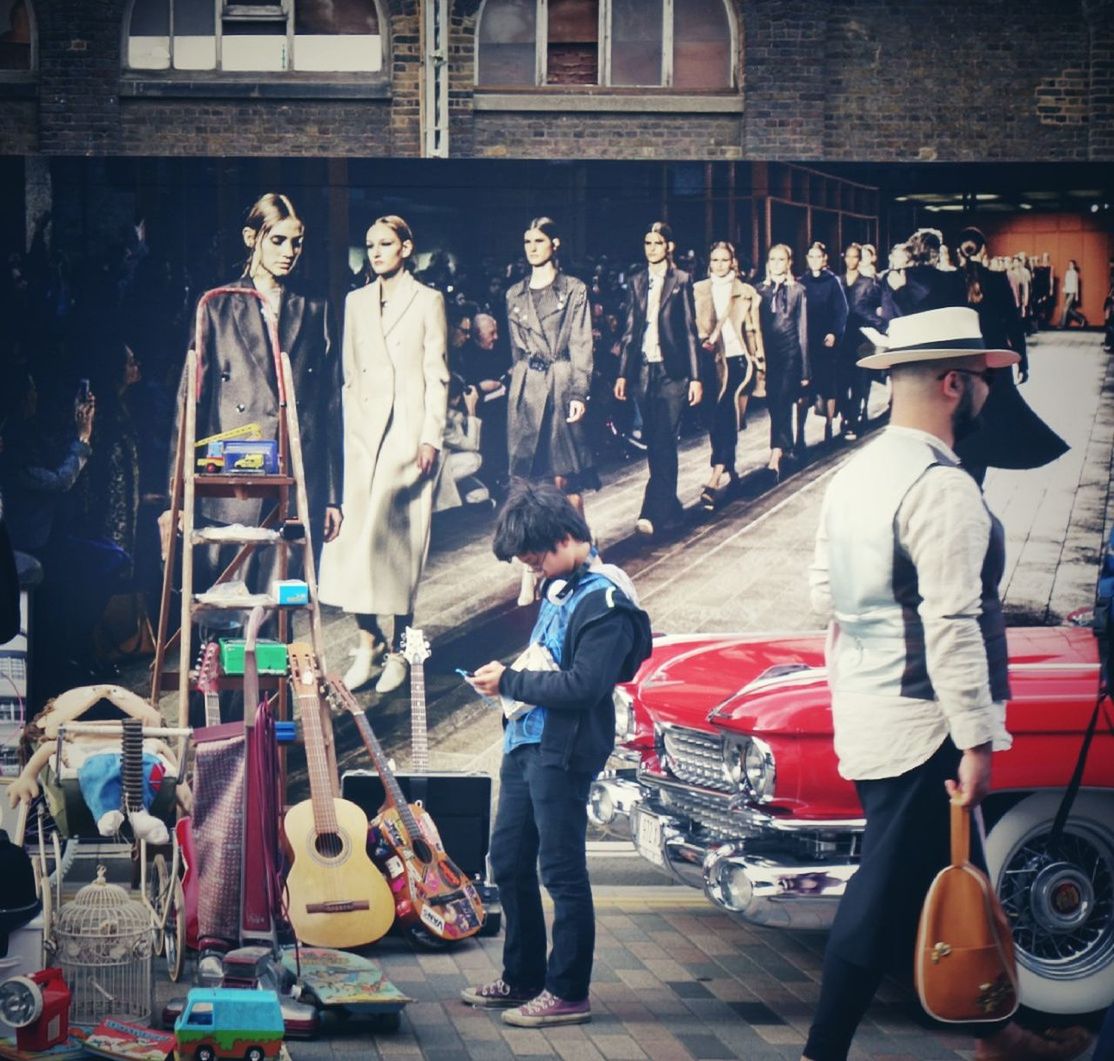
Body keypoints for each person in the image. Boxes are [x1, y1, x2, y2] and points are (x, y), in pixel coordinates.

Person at [803, 306, 1091, 1061]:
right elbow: (953, 623)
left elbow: (821, 595)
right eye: (988, 379)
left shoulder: (857, 473)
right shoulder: (944, 488)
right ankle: (821, 1050)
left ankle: (1002, 1034)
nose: (995, 393)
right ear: (955, 383)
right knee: (883, 899)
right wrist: (974, 736)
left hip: (871, 714)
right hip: (929, 728)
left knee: (953, 878)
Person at [461, 482, 651, 1028]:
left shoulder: (606, 601)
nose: (535, 569)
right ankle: (522, 977)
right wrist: (508, 681)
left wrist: (511, 679)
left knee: (561, 871)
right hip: (526, 742)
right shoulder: (562, 587)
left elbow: (586, 686)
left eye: (537, 557)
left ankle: (567, 991)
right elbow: (548, 663)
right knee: (508, 860)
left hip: (562, 751)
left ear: (569, 537)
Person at [162, 192, 343, 586]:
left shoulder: (315, 308)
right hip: (232, 482)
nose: (289, 252)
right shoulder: (216, 305)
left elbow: (329, 407)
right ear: (251, 238)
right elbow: (188, 403)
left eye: (296, 242)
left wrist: (332, 496)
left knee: (284, 603)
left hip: (298, 477)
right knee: (225, 606)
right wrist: (176, 496)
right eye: (277, 240)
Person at [318, 214, 449, 694]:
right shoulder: (354, 302)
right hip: (361, 437)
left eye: (386, 244)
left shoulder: (428, 300)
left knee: (399, 545)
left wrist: (430, 436)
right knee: (354, 545)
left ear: (406, 248)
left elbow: (437, 373)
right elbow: (349, 374)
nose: (375, 253)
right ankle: (367, 639)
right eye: (370, 245)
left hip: (406, 438)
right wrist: (346, 436)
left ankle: (399, 648)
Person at [505, 217, 597, 604]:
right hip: (527, 389)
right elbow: (514, 351)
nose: (532, 247)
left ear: (554, 244)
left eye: (539, 240)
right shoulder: (514, 294)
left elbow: (581, 342)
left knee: (565, 483)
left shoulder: (573, 290)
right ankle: (531, 571)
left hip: (560, 386)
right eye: (527, 240)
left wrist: (579, 391)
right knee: (527, 484)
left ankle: (582, 558)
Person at [615, 221, 702, 537]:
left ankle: (652, 511)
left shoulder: (681, 280)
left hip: (672, 371)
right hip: (642, 371)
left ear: (669, 247)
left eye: (657, 242)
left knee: (665, 439)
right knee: (655, 443)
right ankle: (672, 508)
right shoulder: (637, 281)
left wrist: (695, 377)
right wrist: (623, 373)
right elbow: (628, 332)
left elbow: (691, 331)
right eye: (647, 243)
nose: (651, 248)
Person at [692, 240, 764, 510]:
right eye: (715, 260)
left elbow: (754, 330)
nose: (720, 265)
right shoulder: (699, 290)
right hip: (711, 362)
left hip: (738, 362)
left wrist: (760, 361)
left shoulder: (746, 292)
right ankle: (732, 473)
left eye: (724, 260)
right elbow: (694, 327)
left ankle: (714, 477)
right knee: (716, 418)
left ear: (733, 262)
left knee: (726, 412)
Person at [756, 243, 809, 481]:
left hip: (790, 355)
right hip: (769, 357)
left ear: (789, 263)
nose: (777, 264)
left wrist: (806, 369)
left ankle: (775, 454)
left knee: (783, 399)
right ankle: (785, 447)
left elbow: (803, 330)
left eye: (781, 260)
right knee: (774, 402)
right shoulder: (758, 291)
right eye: (772, 259)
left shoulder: (798, 291)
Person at [798, 242, 848, 445]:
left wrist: (834, 333)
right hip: (807, 340)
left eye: (818, 257)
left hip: (826, 341)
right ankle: (799, 432)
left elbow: (841, 311)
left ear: (825, 259)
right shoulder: (802, 282)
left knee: (828, 385)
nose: (815, 260)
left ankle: (829, 425)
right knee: (803, 387)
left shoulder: (832, 282)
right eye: (811, 257)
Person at [836, 242, 881, 441]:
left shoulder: (869, 283)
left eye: (855, 256)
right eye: (848, 256)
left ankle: (854, 420)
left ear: (859, 259)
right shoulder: (837, 281)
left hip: (862, 337)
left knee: (859, 379)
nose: (851, 260)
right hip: (842, 338)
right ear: (844, 258)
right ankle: (847, 414)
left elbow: (876, 309)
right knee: (841, 381)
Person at [432, 374, 488, 512]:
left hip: (445, 464)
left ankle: (459, 498)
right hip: (437, 470)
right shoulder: (440, 421)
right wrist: (471, 409)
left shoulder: (444, 411)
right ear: (456, 399)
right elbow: (472, 445)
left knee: (482, 494)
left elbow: (456, 419)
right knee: (475, 460)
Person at [1059, 259, 1086, 328]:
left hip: (1072, 292)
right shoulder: (1067, 272)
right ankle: (1081, 320)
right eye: (1069, 264)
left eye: (1071, 264)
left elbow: (1076, 284)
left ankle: (1062, 324)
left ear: (1074, 265)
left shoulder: (1075, 273)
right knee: (1069, 309)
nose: (1070, 266)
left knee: (1065, 309)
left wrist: (1077, 295)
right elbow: (1066, 282)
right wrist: (1064, 288)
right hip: (1067, 292)